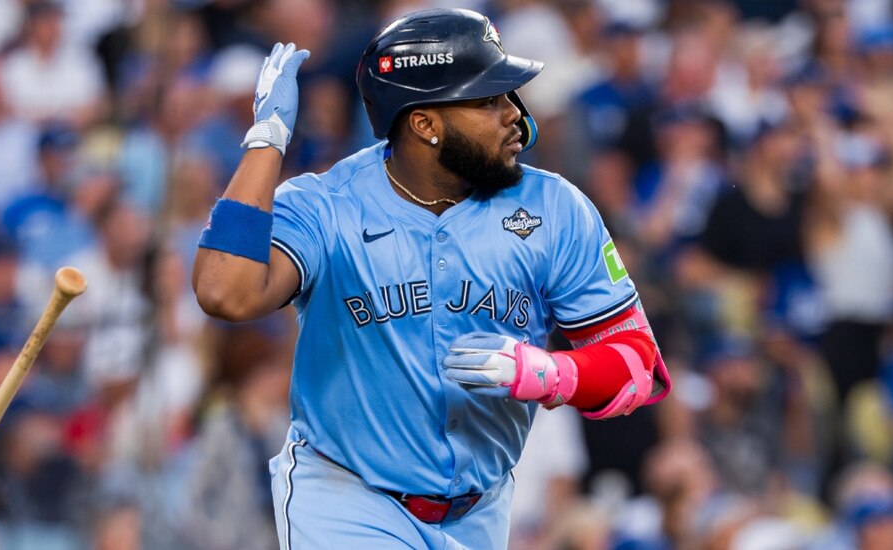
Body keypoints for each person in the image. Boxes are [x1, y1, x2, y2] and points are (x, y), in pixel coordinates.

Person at [191, 8, 672, 549]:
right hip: (348, 498)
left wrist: (554, 373)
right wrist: (266, 142)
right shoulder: (327, 206)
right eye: (489, 100)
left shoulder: (555, 208)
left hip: (481, 508)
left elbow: (639, 367)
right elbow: (223, 290)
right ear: (425, 124)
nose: (515, 113)